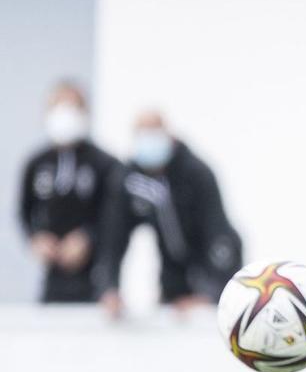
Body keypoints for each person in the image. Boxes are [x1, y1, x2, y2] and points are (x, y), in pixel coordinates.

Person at [95, 111, 243, 317]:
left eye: (154, 132)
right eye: (143, 134)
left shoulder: (196, 172)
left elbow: (218, 232)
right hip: (172, 275)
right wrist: (109, 288)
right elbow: (114, 238)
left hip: (209, 267)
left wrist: (212, 294)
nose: (149, 140)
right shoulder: (129, 180)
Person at [17, 81, 122, 303]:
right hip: (53, 276)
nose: (64, 115)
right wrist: (36, 238)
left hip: (95, 280)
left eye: (72, 107)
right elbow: (24, 211)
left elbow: (115, 217)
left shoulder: (105, 164)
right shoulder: (37, 163)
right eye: (58, 107)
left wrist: (88, 238)